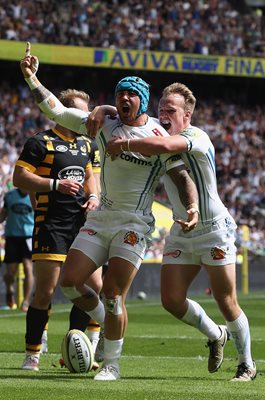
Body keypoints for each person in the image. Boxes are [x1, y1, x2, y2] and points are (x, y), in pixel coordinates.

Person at [20, 45, 199, 381]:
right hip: (102, 218)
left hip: (134, 223)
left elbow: (181, 176)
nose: (124, 99)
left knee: (114, 294)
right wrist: (32, 78)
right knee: (70, 283)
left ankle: (112, 364)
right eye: (120, 94)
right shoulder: (104, 124)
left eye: (131, 94)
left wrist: (191, 206)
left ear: (142, 100)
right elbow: (57, 112)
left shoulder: (157, 137)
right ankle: (108, 322)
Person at [105, 82, 257, 382]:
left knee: (226, 301)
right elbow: (118, 119)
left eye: (170, 110)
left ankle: (247, 364)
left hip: (213, 228)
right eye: (160, 109)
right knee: (171, 300)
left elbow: (163, 147)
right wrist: (104, 110)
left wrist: (123, 144)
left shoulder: (195, 136)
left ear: (186, 115)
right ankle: (216, 335)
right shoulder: (154, 135)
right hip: (181, 230)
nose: (163, 114)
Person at [13, 86, 103, 372]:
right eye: (78, 111)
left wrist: (93, 197)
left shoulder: (89, 144)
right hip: (51, 224)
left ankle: (82, 350)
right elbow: (19, 178)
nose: (83, 117)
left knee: (93, 287)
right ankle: (33, 355)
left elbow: (92, 178)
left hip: (83, 226)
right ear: (61, 111)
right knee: (45, 292)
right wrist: (55, 185)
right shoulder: (41, 143)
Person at [0, 188, 34, 311]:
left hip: (29, 236)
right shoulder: (9, 196)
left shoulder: (34, 195)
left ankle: (26, 301)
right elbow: (4, 214)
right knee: (10, 273)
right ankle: (9, 290)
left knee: (28, 267)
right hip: (12, 237)